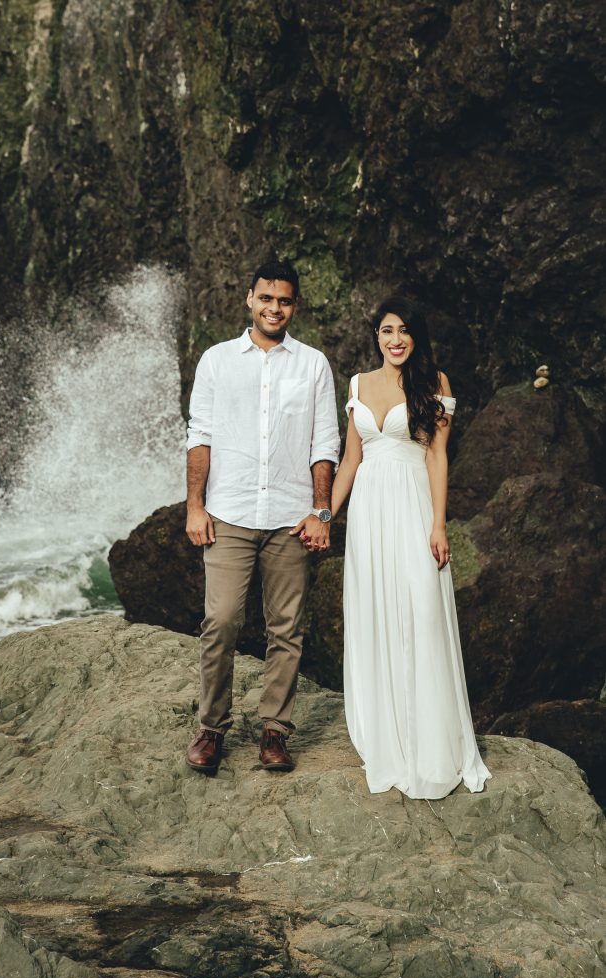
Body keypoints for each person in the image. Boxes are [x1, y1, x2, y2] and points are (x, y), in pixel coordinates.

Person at [331, 295, 491, 799]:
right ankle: (386, 731)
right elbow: (350, 460)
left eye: (403, 330)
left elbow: (438, 457)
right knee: (376, 612)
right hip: (368, 514)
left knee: (421, 611)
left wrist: (438, 524)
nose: (394, 339)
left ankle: (431, 739)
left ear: (415, 336)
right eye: (385, 330)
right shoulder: (357, 384)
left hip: (414, 505)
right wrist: (323, 514)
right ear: (375, 337)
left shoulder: (434, 383)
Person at [184, 259, 340, 774]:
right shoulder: (217, 360)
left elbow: (325, 443)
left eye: (286, 300)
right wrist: (195, 506)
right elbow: (199, 436)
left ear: (295, 305)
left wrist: (321, 511)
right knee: (221, 620)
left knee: (287, 629)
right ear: (250, 299)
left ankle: (275, 731)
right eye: (267, 298)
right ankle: (211, 729)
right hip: (228, 511)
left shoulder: (313, 364)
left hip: (291, 516)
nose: (275, 308)